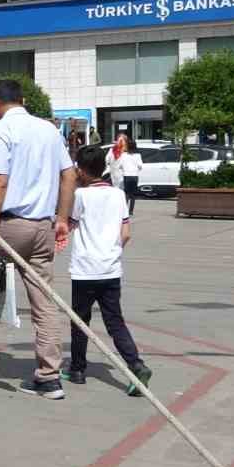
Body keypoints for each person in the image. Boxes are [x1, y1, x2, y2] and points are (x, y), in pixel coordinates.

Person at [0, 78, 76, 400]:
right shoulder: (50, 130)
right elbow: (69, 175)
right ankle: (49, 376)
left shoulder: (0, 130)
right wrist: (63, 218)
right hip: (43, 225)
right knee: (44, 302)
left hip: (11, 225)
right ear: (23, 99)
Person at [65, 146, 152, 394]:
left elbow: (69, 224)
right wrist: (112, 252)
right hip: (111, 269)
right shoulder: (117, 195)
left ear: (80, 170)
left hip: (85, 270)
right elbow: (126, 233)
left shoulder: (80, 196)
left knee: (80, 321)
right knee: (115, 322)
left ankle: (78, 369)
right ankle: (135, 363)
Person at [106, 133, 143, 215]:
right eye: (120, 140)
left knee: (122, 193)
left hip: (121, 174)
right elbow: (108, 161)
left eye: (122, 140)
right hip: (121, 175)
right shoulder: (119, 151)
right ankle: (126, 209)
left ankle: (122, 209)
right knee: (126, 193)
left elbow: (108, 161)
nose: (121, 142)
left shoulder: (121, 152)